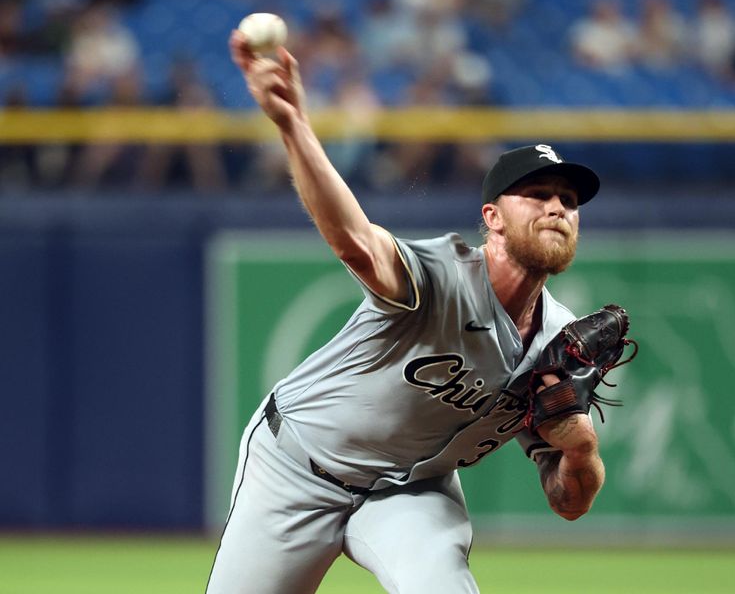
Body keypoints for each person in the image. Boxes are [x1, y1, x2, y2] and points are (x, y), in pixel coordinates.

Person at [207, 30, 608, 594]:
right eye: (538, 194)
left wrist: (580, 448)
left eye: (568, 201)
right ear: (492, 217)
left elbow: (568, 503)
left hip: (411, 491)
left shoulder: (558, 343)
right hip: (299, 468)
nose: (557, 207)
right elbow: (356, 243)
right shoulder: (443, 276)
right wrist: (293, 124)